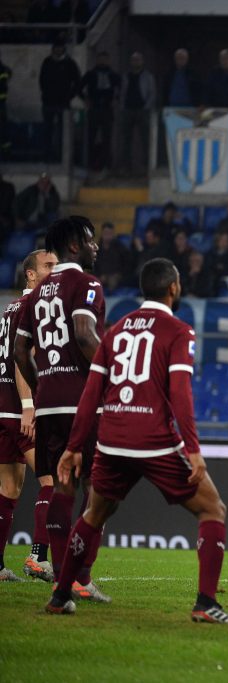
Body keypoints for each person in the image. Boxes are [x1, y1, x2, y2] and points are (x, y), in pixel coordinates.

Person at [44, 258, 228, 624]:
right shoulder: (178, 331)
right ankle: (205, 603)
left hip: (112, 440)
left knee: (94, 513)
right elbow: (180, 392)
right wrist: (193, 450)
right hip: (155, 441)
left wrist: (73, 447)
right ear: (173, 288)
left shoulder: (114, 332)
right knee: (213, 509)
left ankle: (59, 594)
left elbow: (91, 394)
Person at [13, 217, 110, 602]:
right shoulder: (86, 284)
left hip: (50, 405)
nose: (96, 245)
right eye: (90, 239)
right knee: (98, 489)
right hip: (82, 403)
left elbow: (20, 351)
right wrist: (113, 376)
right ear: (73, 245)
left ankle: (59, 581)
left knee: (61, 487)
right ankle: (80, 577)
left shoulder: (35, 295)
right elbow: (85, 333)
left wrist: (42, 387)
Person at [0, 250, 58, 582]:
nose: (55, 270)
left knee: (9, 487)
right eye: (48, 266)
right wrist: (28, 405)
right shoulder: (36, 308)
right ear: (31, 275)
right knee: (54, 480)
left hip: (2, 406)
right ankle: (38, 557)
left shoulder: (9, 308)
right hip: (19, 411)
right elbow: (25, 358)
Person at [78, 51, 120, 172]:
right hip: (94, 109)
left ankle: (108, 165)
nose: (102, 61)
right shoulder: (90, 74)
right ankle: (89, 164)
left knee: (107, 138)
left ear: (108, 61)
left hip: (107, 109)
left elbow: (121, 89)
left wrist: (115, 100)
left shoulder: (113, 75)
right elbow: (79, 87)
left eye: (105, 59)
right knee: (90, 138)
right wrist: (85, 99)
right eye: (100, 59)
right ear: (97, 60)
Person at [39, 42, 81, 161]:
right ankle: (47, 155)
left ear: (63, 49)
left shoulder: (69, 63)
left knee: (63, 131)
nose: (58, 50)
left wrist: (69, 96)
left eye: (60, 47)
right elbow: (41, 80)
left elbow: (77, 81)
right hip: (48, 102)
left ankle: (62, 157)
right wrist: (45, 94)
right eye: (56, 48)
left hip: (63, 103)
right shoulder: (47, 62)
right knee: (47, 130)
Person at [119, 52, 157, 176]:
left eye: (138, 60)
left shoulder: (148, 76)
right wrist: (122, 106)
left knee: (145, 140)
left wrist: (146, 107)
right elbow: (122, 93)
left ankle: (146, 168)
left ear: (142, 62)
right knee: (125, 140)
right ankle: (126, 168)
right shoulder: (126, 76)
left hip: (142, 111)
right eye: (133, 60)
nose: (136, 62)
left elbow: (152, 93)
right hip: (128, 110)